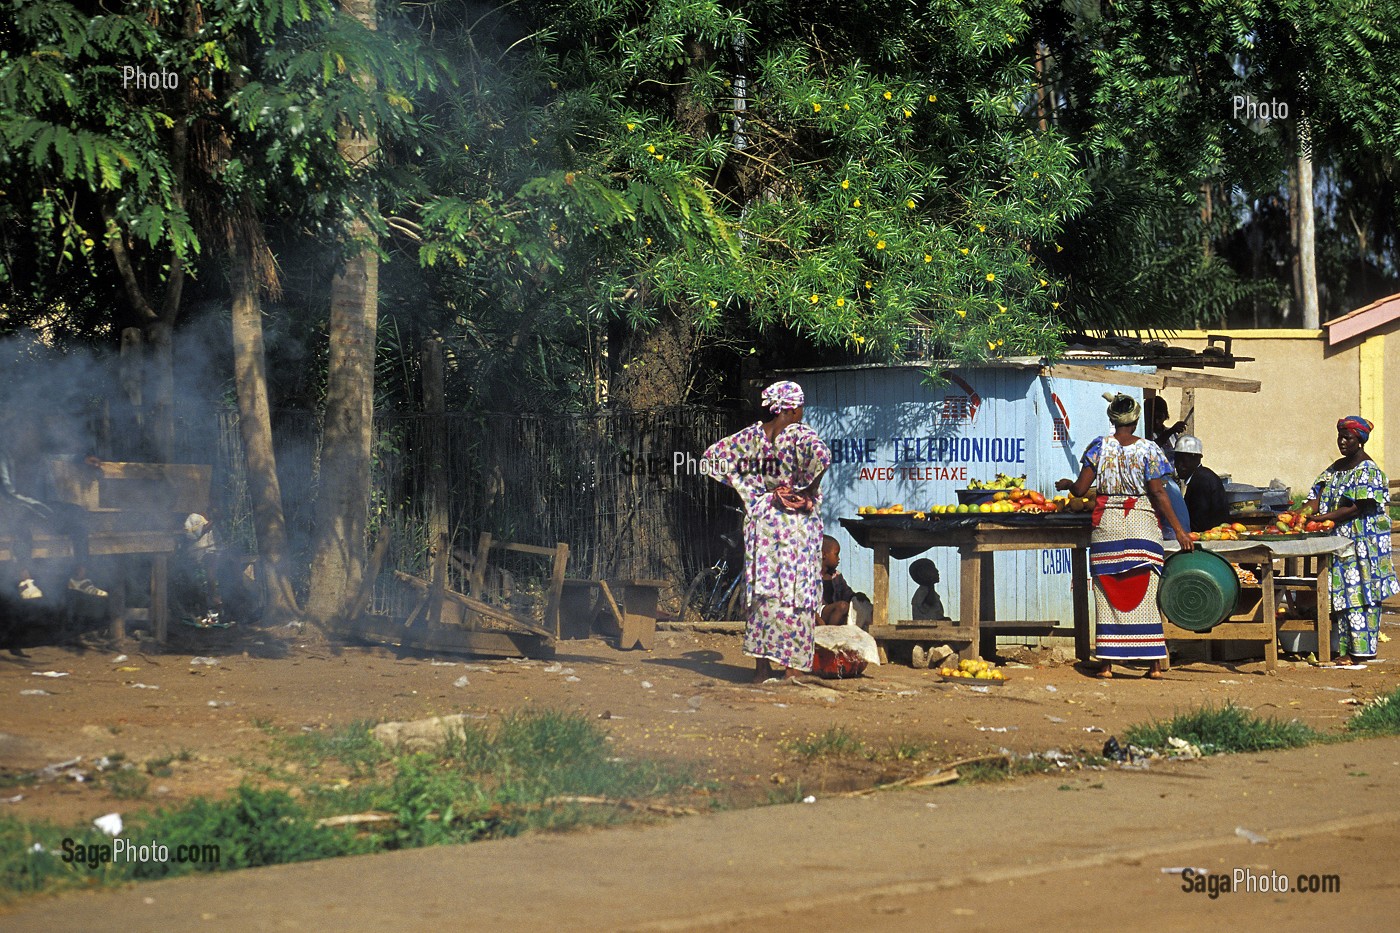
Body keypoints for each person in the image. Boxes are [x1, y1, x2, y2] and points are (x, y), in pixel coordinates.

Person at [1057, 392, 1193, 679]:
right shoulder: (1150, 450)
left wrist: (1068, 483)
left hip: (1107, 527)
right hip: (1142, 525)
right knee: (1146, 594)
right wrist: (1179, 530)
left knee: (1107, 593)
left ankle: (1107, 664)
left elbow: (1080, 490)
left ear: (1111, 418)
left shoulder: (1098, 447)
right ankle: (1155, 664)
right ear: (1136, 419)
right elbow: (1157, 491)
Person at [703, 381, 831, 682]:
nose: (801, 412)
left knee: (763, 590)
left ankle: (761, 669)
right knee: (796, 592)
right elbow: (823, 458)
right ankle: (791, 670)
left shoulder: (751, 436)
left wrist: (753, 492)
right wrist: (804, 489)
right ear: (793, 407)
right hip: (793, 524)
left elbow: (712, 458)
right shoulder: (800, 434)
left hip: (764, 522)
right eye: (800, 407)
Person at [1303, 416, 1398, 665]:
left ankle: (1361, 651)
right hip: (1340, 543)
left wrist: (1323, 519)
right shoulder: (1336, 468)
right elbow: (1317, 493)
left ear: (1360, 441)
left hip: (1363, 545)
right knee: (1342, 594)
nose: (1343, 442)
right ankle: (1344, 649)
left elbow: (1356, 508)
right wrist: (1301, 515)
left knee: (1362, 594)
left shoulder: (1369, 471)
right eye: (1340, 437)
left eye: (1349, 438)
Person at [1174, 435, 1230, 532]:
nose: (1179, 466)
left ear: (1196, 458)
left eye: (1184, 461)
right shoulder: (1200, 476)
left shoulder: (1201, 480)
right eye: (1177, 460)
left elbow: (1199, 522)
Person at [819, 535, 854, 626]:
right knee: (842, 606)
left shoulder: (836, 576)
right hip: (817, 613)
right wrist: (819, 621)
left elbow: (848, 594)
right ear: (824, 555)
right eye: (836, 554)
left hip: (833, 613)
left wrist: (858, 597)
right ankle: (829, 633)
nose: (838, 559)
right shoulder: (813, 577)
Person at [1148, 396, 1188, 462]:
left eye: (1159, 417)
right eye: (1154, 418)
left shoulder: (1172, 435)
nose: (1156, 421)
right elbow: (1152, 447)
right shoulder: (1145, 435)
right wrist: (1171, 431)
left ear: (1165, 415)